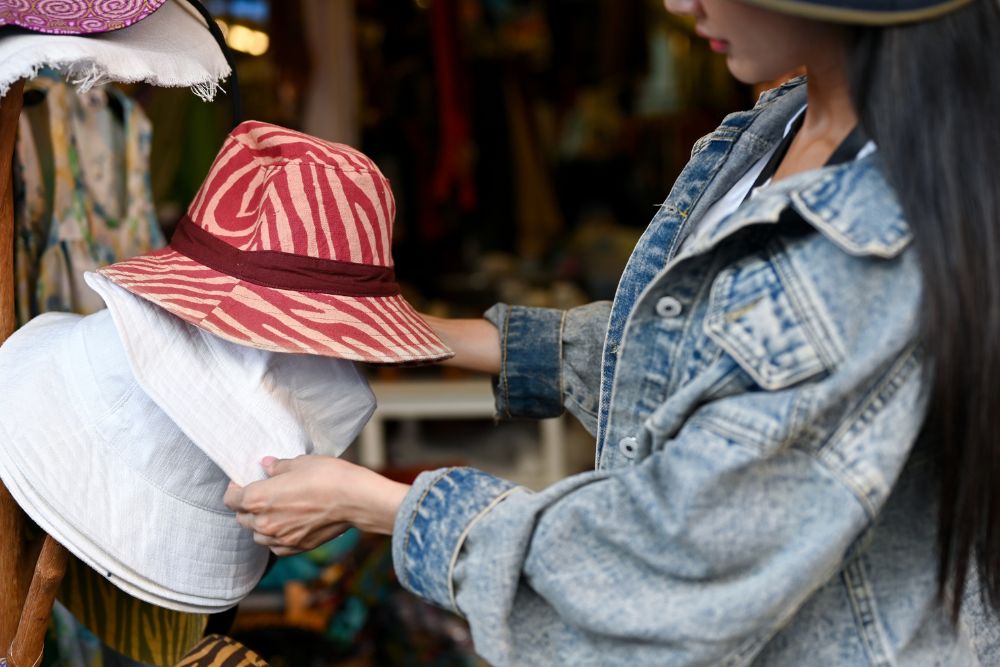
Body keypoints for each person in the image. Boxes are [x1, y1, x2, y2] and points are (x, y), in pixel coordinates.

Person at [223, 0, 1000, 663]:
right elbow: (698, 359)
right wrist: (431, 336)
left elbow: (671, 555)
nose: (677, 5)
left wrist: (382, 505)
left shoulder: (879, 235)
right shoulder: (778, 128)